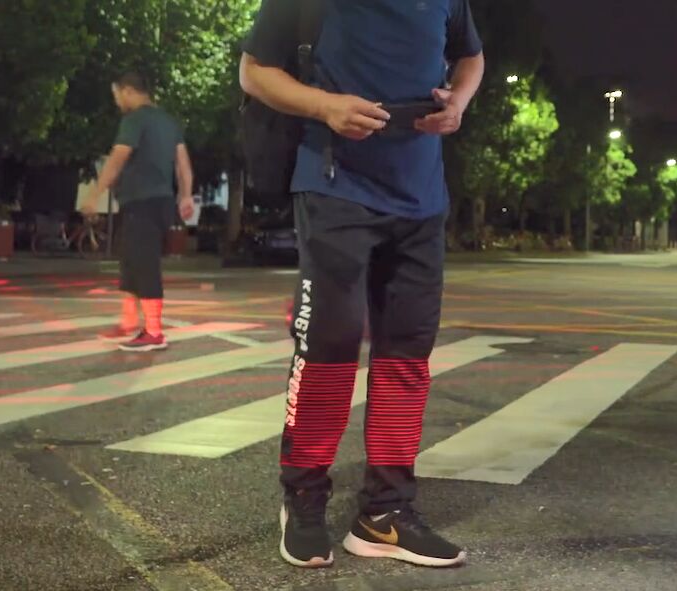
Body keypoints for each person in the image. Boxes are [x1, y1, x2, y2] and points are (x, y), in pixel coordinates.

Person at [241, 0, 485, 570]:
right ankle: (304, 499)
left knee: (407, 353)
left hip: (421, 194)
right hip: (335, 183)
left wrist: (459, 102)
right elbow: (253, 71)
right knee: (330, 346)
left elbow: (471, 57)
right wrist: (324, 105)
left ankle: (386, 512)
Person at [82, 72, 195, 352]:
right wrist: (185, 195)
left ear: (129, 91)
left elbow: (117, 158)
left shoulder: (134, 120)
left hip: (142, 201)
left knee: (144, 264)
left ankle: (154, 332)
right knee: (130, 260)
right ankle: (128, 322)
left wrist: (94, 194)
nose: (117, 101)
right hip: (157, 202)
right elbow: (182, 164)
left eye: (117, 95)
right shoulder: (168, 122)